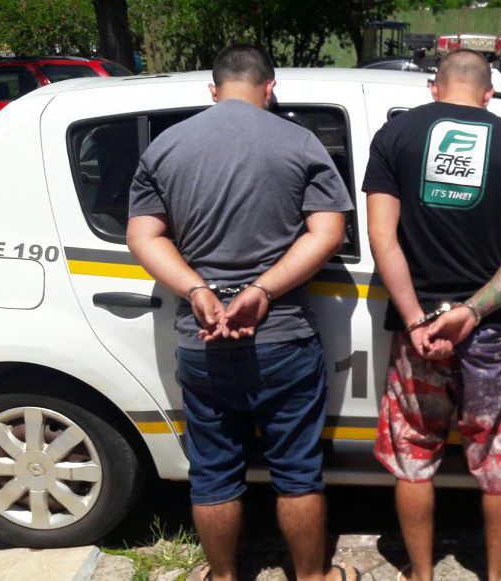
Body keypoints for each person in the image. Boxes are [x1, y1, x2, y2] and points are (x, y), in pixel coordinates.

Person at [126, 45, 358, 581]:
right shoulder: (300, 142)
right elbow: (328, 233)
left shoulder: (166, 146)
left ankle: (224, 576)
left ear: (214, 90)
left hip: (202, 338)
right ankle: (312, 577)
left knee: (212, 474)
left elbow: (144, 235)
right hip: (283, 337)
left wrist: (196, 289)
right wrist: (263, 290)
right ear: (269, 88)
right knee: (297, 473)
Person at [363, 49, 501, 581]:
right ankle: (497, 575)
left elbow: (381, 236)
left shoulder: (395, 137)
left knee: (414, 458)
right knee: (497, 459)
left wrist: (415, 319)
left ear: (434, 87)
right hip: (488, 333)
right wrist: (470, 312)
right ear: (488, 94)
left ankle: (420, 574)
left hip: (418, 333)